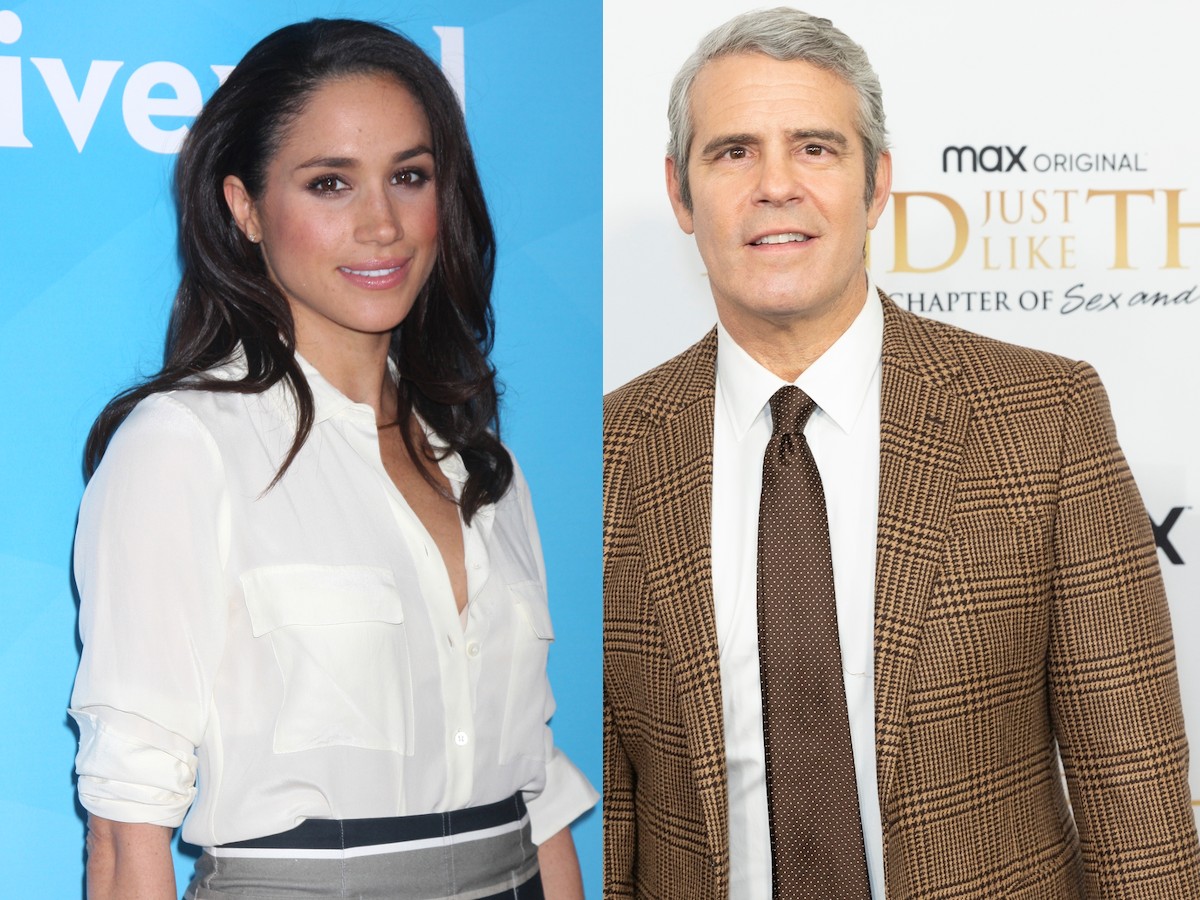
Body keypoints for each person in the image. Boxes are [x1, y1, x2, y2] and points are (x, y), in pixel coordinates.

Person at [602, 7, 1200, 899]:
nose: (776, 186)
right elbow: (617, 815)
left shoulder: (1044, 418)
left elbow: (1137, 803)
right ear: (681, 195)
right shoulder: (611, 450)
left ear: (877, 183)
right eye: (733, 152)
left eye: (815, 148)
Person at [70, 18, 596, 899]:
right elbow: (128, 836)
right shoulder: (184, 446)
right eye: (329, 184)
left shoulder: (480, 460)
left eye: (409, 176)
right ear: (243, 208)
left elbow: (534, 791)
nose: (382, 225)